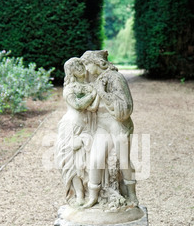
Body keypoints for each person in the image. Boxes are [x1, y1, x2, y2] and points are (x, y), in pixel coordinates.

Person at [80, 50, 138, 208]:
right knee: (95, 159)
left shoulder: (115, 77)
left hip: (118, 123)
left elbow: (126, 106)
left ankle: (132, 194)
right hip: (102, 125)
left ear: (97, 63)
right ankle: (93, 196)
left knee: (124, 159)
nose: (86, 69)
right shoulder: (95, 79)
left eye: (87, 64)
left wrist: (102, 92)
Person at [56, 57, 99, 205]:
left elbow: (94, 107)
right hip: (71, 128)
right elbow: (78, 105)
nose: (80, 68)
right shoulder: (69, 88)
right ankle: (79, 194)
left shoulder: (90, 84)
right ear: (71, 72)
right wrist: (94, 94)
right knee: (72, 163)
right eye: (75, 67)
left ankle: (91, 194)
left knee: (88, 161)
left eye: (80, 64)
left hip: (88, 127)